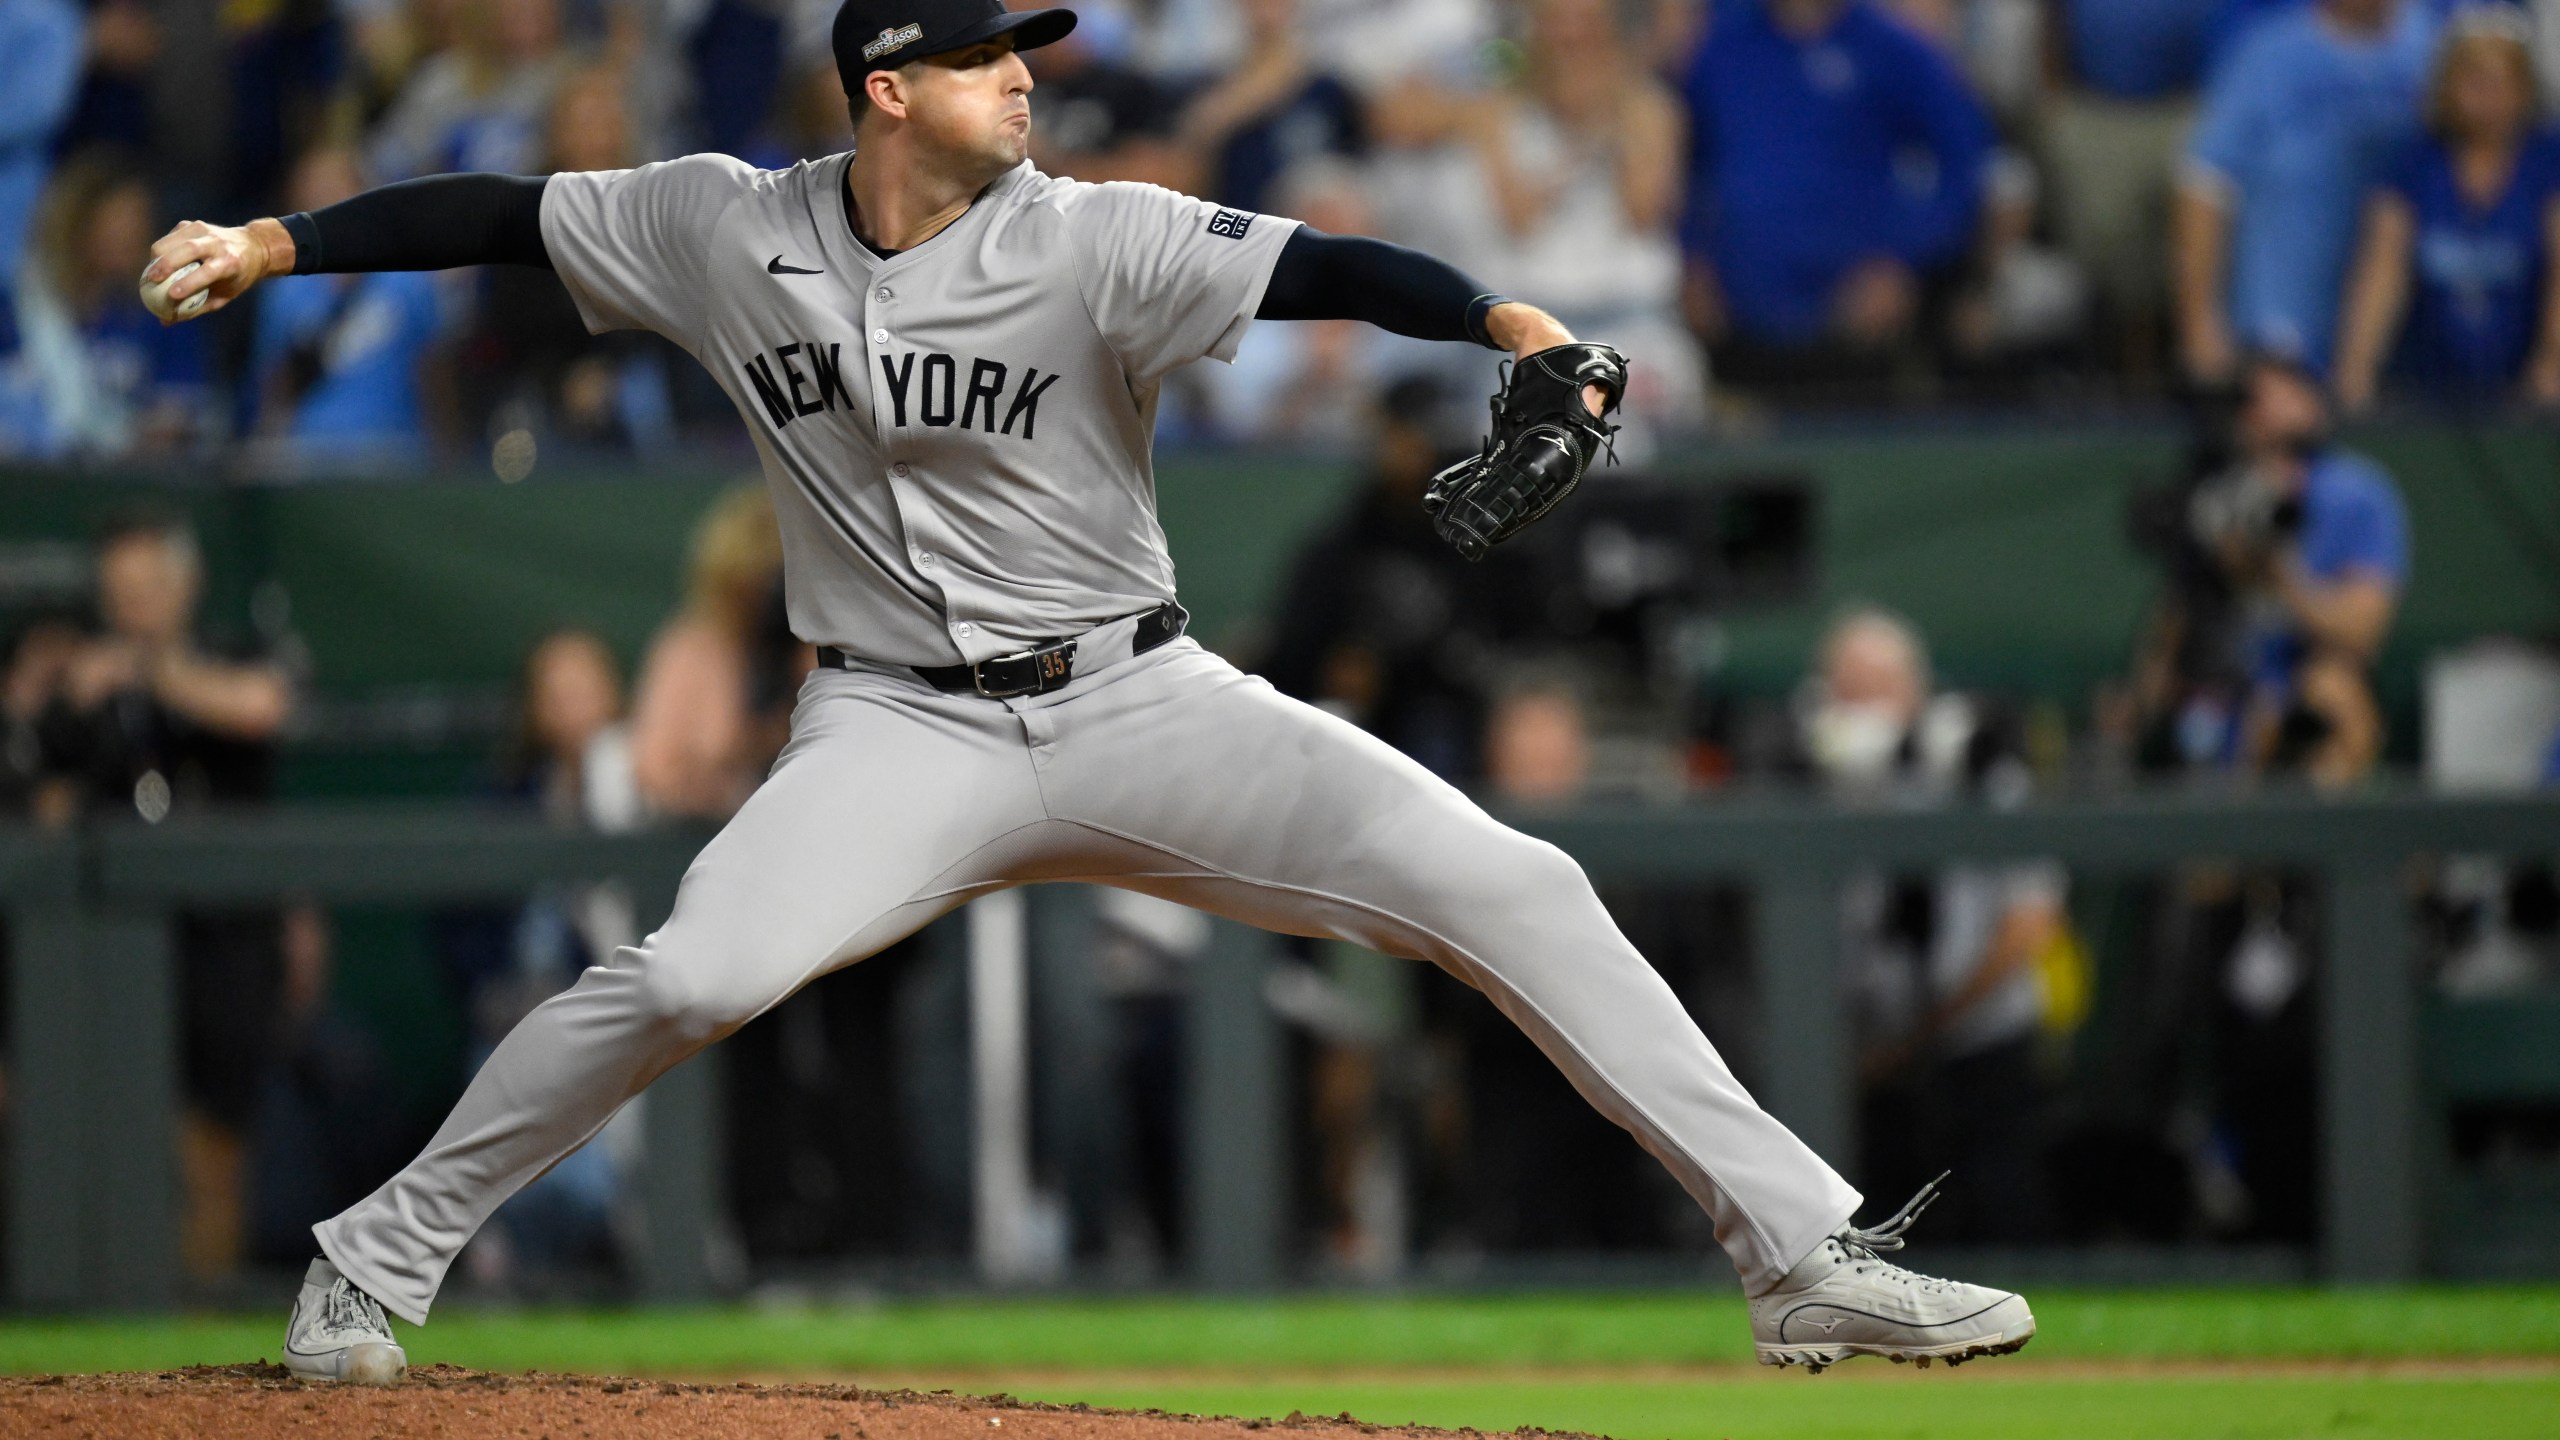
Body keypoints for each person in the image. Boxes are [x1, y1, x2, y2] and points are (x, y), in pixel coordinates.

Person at [147, 0, 2032, 1383]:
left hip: (1146, 701)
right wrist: (272, 244)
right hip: (893, 723)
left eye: (1028, 50)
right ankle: (371, 1260)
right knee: (697, 974)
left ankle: (1804, 1255)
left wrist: (1507, 321)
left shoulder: (1097, 230)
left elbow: (1336, 268)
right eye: (985, 57)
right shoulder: (726, 222)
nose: (1027, 75)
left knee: (1514, 883)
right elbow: (500, 212)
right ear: (887, 88)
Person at [1801, 608, 2062, 1241]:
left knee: (1999, 1215)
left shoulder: (1979, 765)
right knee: (1879, 1235)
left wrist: (1925, 1032)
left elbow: (2032, 920)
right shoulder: (1815, 782)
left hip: (1979, 1042)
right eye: (1849, 692)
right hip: (1866, 1057)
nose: (1866, 711)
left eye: (1880, 690)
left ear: (1918, 691)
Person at [1679, 0, 1995, 398]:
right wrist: (1692, 258)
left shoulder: (1889, 45)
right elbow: (1684, 159)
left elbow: (1965, 160)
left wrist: (1905, 260)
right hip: (1735, 318)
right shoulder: (1719, 46)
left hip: (1854, 325)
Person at [2173, 0, 2439, 380]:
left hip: (2410, 334)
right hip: (2283, 318)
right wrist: (2200, 323)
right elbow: (2205, 183)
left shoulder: (2432, 48)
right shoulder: (2269, 54)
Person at [2335, 5, 2560, 410]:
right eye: (2473, 81)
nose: (2487, 98)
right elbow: (2382, 269)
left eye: (2500, 82)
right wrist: (2356, 370)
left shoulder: (2548, 163)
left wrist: (2551, 363)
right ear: (2447, 84)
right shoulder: (2413, 164)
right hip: (2427, 386)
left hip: (2525, 391)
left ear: (2525, 87)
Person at [249, 142, 455, 469]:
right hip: (309, 459)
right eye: (312, 191)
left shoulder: (409, 281)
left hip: (396, 456)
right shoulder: (284, 292)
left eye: (335, 187)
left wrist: (445, 456)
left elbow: (435, 373)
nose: (324, 200)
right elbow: (276, 385)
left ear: (363, 194)